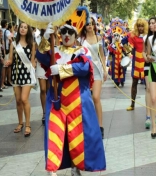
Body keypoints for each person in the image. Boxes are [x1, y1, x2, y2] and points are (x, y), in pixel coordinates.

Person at [36, 17, 106, 176]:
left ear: (75, 35)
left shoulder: (82, 51)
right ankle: (52, 167)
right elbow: (40, 57)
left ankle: (76, 166)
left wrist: (61, 70)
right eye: (63, 32)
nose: (66, 35)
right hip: (57, 101)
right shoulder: (55, 50)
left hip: (77, 101)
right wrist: (45, 38)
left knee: (76, 136)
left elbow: (84, 67)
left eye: (70, 32)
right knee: (54, 133)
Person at [5, 22, 36, 137]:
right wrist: (7, 62)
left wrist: (34, 69)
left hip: (27, 74)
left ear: (28, 30)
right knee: (18, 100)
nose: (23, 29)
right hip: (16, 74)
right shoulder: (14, 44)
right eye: (21, 27)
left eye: (25, 27)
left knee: (24, 99)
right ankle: (20, 123)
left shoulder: (32, 44)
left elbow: (32, 61)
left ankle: (28, 124)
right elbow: (11, 59)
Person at [79, 17, 107, 138]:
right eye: (87, 24)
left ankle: (100, 126)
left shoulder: (98, 38)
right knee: (85, 100)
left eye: (91, 24)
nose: (89, 26)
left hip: (97, 70)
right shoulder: (80, 40)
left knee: (96, 97)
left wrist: (105, 70)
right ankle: (87, 125)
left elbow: (102, 54)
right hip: (85, 71)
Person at [123, 19, 148, 112]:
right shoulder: (132, 34)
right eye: (139, 26)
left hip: (146, 60)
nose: (141, 28)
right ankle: (132, 104)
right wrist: (129, 50)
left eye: (142, 26)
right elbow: (124, 40)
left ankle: (149, 104)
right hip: (136, 61)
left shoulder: (148, 34)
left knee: (148, 85)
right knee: (134, 83)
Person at [143, 17, 156, 129]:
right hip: (148, 65)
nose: (152, 25)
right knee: (148, 89)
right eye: (150, 23)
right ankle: (148, 116)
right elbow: (143, 52)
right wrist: (146, 57)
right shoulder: (146, 38)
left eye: (154, 23)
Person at [35, 29, 49, 125]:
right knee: (43, 89)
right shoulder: (37, 38)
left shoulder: (53, 36)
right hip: (40, 65)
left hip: (49, 64)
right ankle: (44, 112)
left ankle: (49, 111)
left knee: (49, 90)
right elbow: (36, 51)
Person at [1, 19, 13, 87]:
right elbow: (10, 39)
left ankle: (4, 81)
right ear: (6, 24)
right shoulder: (7, 31)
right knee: (7, 66)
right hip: (7, 50)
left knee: (4, 66)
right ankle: (7, 81)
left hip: (2, 50)